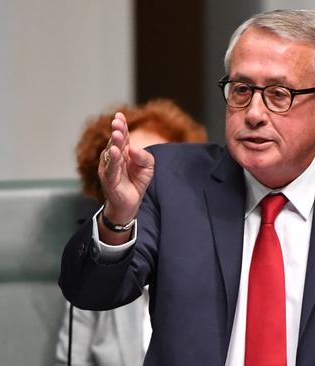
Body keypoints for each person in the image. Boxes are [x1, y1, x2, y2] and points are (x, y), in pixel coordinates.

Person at [59, 9, 315, 366]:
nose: (255, 114)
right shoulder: (172, 180)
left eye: (279, 94)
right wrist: (118, 217)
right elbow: (92, 293)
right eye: (242, 90)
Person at [55, 99, 207, 366]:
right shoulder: (91, 278)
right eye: (126, 169)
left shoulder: (209, 265)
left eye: (153, 170)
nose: (139, 184)